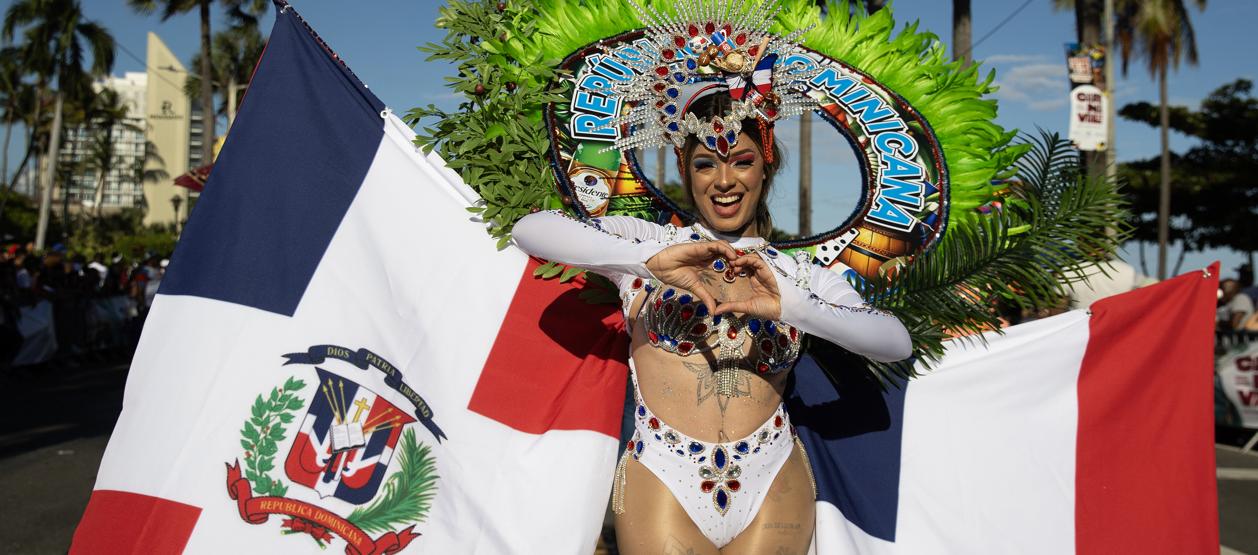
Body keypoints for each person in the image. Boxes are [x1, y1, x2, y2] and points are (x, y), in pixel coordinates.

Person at [512, 90, 912, 552]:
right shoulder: (649, 243)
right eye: (705, 165)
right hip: (664, 472)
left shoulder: (800, 276)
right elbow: (532, 229)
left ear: (767, 167)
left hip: (773, 479)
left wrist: (794, 307)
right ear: (686, 172)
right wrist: (650, 260)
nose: (724, 181)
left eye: (741, 161)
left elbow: (893, 340)